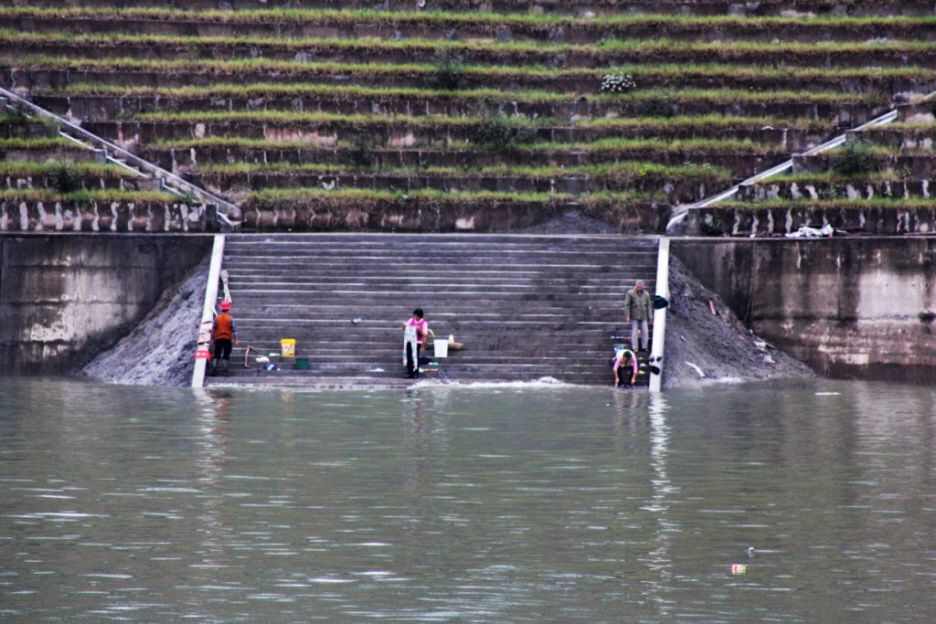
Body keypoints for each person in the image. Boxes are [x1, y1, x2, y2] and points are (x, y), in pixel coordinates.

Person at [624, 279, 653, 352]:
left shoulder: (646, 294)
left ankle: (645, 346)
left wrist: (650, 316)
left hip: (644, 316)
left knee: (645, 331)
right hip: (634, 315)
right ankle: (635, 347)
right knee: (634, 331)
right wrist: (627, 315)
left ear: (643, 286)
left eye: (640, 286)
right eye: (637, 286)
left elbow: (648, 306)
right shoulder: (630, 293)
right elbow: (627, 305)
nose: (638, 287)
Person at [211, 300, 238, 376]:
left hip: (218, 339)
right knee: (226, 355)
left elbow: (213, 330)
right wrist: (235, 340)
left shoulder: (217, 318)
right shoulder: (230, 318)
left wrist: (213, 340)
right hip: (227, 339)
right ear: (228, 309)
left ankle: (214, 370)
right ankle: (225, 371)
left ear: (221, 308)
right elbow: (234, 331)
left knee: (216, 355)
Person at [402, 308, 428, 379]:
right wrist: (404, 326)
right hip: (409, 340)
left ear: (420, 316)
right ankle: (409, 371)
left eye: (417, 316)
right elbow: (404, 329)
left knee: (415, 356)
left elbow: (425, 334)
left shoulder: (424, 323)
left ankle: (416, 372)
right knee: (409, 356)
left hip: (417, 342)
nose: (415, 317)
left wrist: (419, 330)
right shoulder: (411, 320)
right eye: (415, 316)